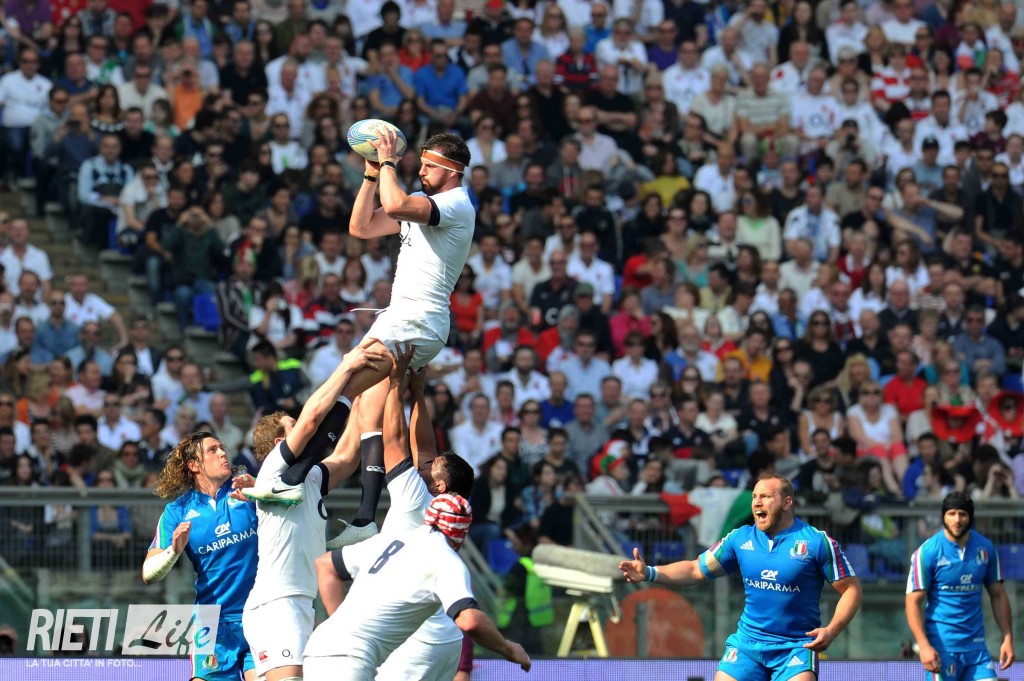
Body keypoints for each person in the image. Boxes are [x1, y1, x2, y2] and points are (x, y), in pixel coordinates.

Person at [245, 131, 474, 549]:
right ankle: (366, 516)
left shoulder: (456, 203)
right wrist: (371, 176)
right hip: (406, 318)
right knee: (364, 415)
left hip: (416, 320)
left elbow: (397, 204)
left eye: (429, 165)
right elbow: (361, 226)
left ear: (452, 171)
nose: (421, 170)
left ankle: (292, 476)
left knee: (342, 387)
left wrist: (387, 162)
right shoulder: (422, 203)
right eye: (420, 163)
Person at [619, 475, 862, 681]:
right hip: (747, 646)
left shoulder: (817, 542)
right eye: (754, 497)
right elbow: (695, 569)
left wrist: (832, 630)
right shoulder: (740, 538)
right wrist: (649, 572)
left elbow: (851, 590)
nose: (757, 502)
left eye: (765, 497)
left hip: (795, 647)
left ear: (787, 502)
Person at [241, 342, 384, 681]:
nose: (304, 425)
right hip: (278, 602)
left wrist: (362, 400)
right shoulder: (272, 471)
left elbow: (346, 457)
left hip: (298, 602)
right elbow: (312, 422)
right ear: (279, 444)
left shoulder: (310, 478)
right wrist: (347, 368)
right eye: (291, 425)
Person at [141, 431, 258, 681]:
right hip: (212, 622)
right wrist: (173, 551)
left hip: (259, 614)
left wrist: (262, 493)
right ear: (194, 465)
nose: (223, 453)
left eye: (222, 447)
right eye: (212, 450)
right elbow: (149, 573)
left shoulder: (248, 490)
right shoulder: (177, 511)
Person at [905, 491, 1015, 680]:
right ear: (943, 516)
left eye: (962, 514)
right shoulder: (927, 552)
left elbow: (998, 594)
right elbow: (912, 602)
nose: (957, 520)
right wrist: (923, 646)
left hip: (977, 651)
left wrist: (1007, 637)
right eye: (952, 514)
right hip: (941, 651)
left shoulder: (986, 548)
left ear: (970, 517)